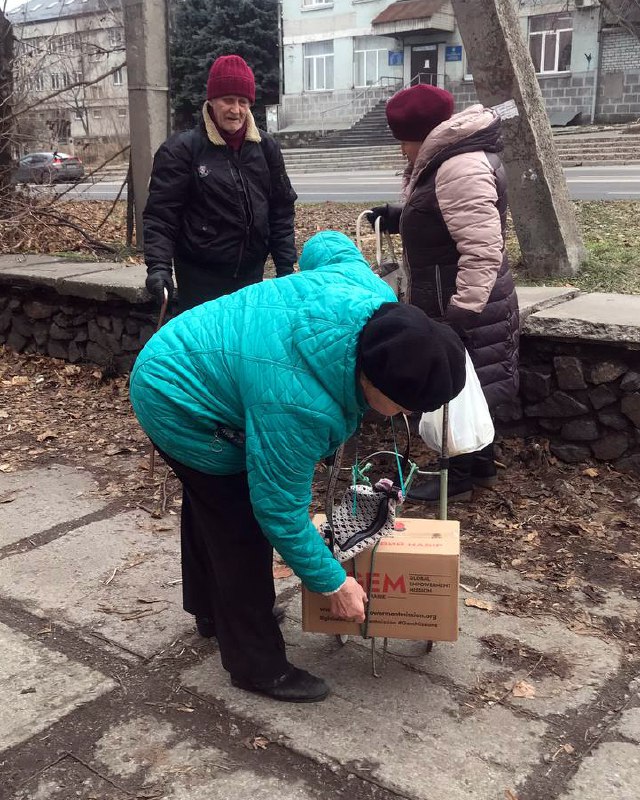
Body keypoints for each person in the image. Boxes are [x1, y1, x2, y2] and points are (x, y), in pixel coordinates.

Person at [130, 231, 466, 703]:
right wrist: (332, 581)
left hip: (204, 348)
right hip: (177, 397)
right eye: (404, 406)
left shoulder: (372, 296)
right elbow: (279, 512)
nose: (407, 417)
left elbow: (327, 245)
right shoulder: (301, 405)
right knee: (239, 523)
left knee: (212, 504)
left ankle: (210, 610)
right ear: (372, 380)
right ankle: (256, 665)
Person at [368, 84, 519, 503]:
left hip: (464, 302)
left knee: (458, 386)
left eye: (405, 141)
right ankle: (481, 465)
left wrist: (462, 313)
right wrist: (399, 217)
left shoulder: (459, 167)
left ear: (426, 133)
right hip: (458, 297)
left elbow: (482, 248)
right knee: (475, 385)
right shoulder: (450, 161)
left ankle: (459, 476)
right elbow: (446, 218)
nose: (403, 152)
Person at [143, 54, 298, 312]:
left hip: (251, 276)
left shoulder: (266, 147)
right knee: (206, 350)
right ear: (212, 101)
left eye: (243, 101)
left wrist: (285, 268)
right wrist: (159, 269)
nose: (235, 110)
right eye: (228, 100)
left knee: (245, 347)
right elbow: (161, 216)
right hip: (200, 279)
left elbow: (281, 210)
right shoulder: (182, 150)